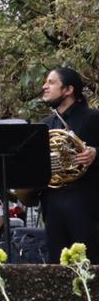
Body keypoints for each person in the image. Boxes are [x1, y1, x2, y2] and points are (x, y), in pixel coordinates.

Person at [34, 67, 99, 260]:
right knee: (57, 264)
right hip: (52, 202)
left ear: (68, 89)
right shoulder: (46, 124)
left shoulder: (93, 118)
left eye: (51, 82)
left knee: (89, 262)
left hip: (85, 203)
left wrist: (96, 153)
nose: (45, 87)